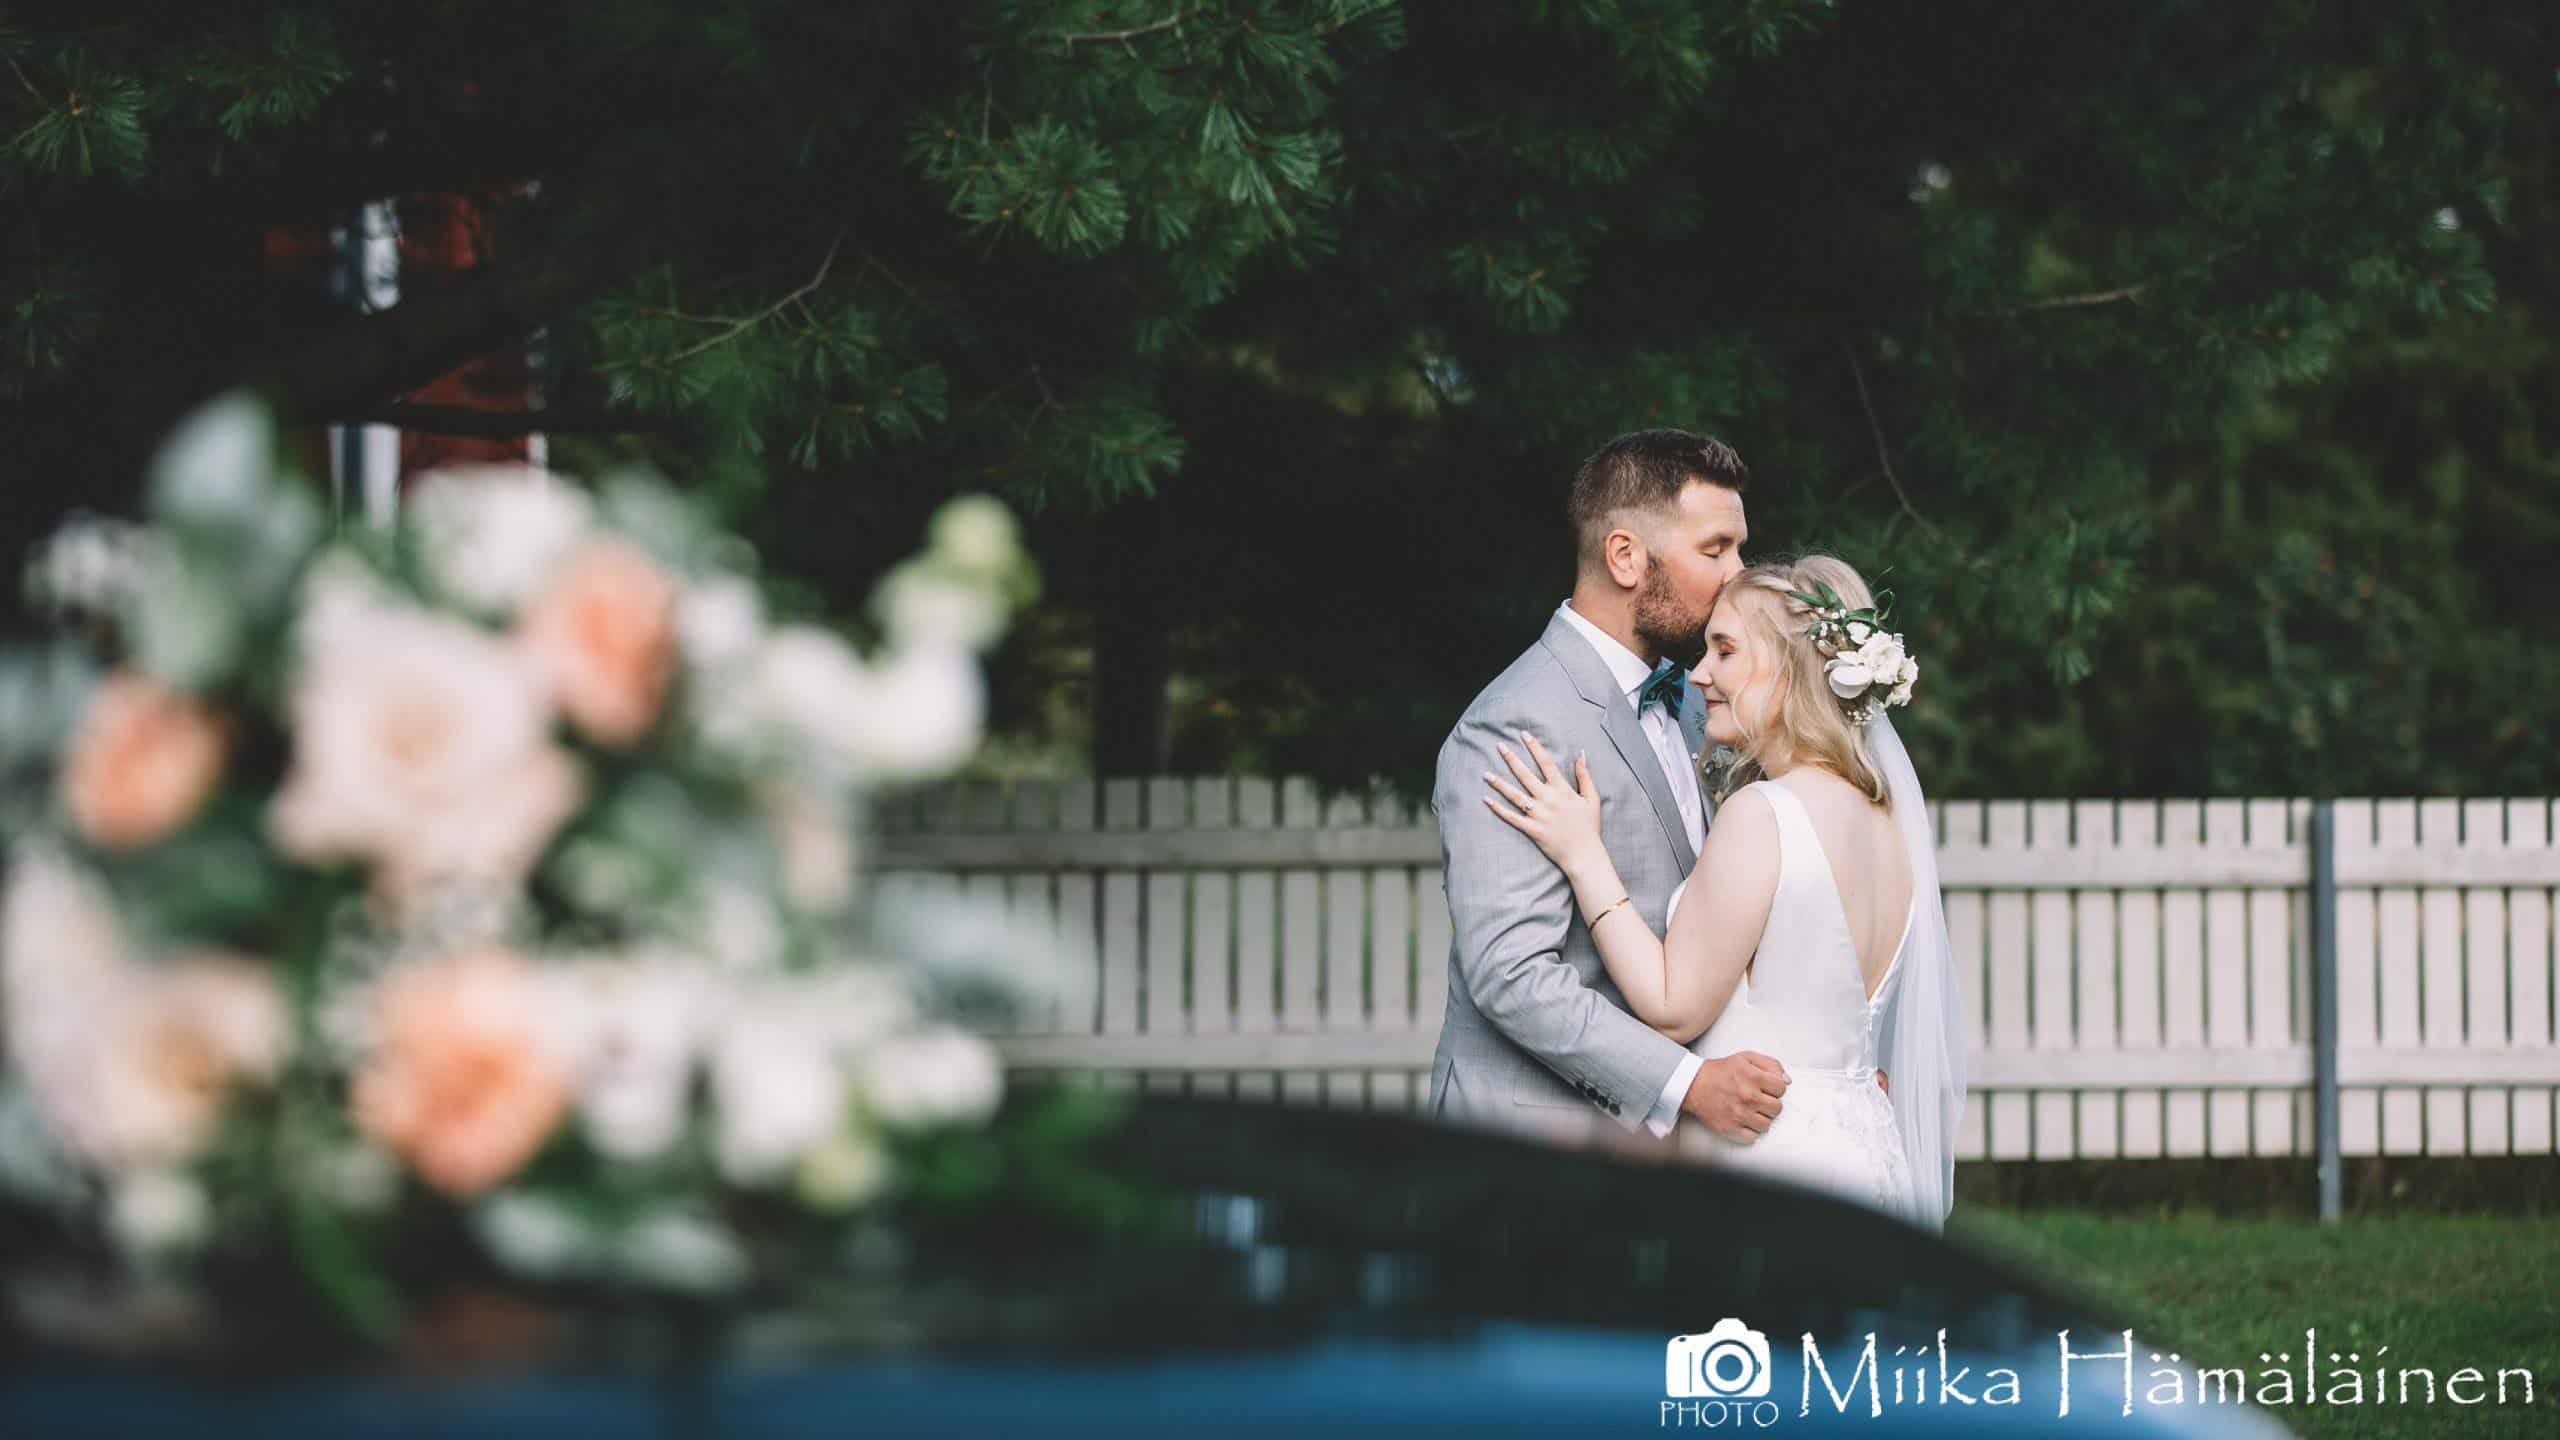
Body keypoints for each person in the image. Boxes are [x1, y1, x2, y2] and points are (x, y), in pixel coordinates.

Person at [1483, 555, 1964, 1229]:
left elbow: (1672, 1008)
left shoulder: (1765, 813)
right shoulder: (1887, 819)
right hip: (1864, 1148)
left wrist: (1583, 854)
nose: (1700, 673)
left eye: (1726, 651)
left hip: (1772, 1158)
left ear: (1790, 668)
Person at [1425, 430, 1791, 1155]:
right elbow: (1511, 973)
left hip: (1666, 1158)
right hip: (1532, 1151)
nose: (1738, 577)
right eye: (1716, 550)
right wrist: (1687, 1084)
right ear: (1625, 556)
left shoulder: (1702, 704)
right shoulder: (1514, 724)